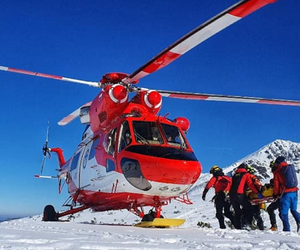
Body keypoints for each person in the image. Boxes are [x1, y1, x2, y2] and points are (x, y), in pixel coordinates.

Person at [229, 163, 262, 230]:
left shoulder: (235, 175)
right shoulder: (246, 174)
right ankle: (246, 224)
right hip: (239, 194)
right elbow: (250, 184)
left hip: (231, 195)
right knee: (249, 208)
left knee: (237, 212)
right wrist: (257, 192)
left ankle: (238, 227)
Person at [273, 156, 300, 232]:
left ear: (278, 163)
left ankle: (286, 230)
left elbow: (276, 185)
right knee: (294, 210)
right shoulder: (289, 168)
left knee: (284, 213)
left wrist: (275, 194)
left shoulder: (278, 172)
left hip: (286, 194)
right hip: (294, 192)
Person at [245, 165, 264, 230]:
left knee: (248, 212)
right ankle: (261, 227)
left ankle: (247, 225)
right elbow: (259, 184)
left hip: (250, 196)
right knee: (256, 213)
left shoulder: (249, 177)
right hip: (254, 196)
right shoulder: (253, 177)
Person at [266, 161, 281, 231]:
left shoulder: (277, 173)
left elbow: (277, 185)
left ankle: (274, 226)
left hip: (280, 195)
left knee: (270, 209)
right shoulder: (282, 172)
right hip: (285, 194)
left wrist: (275, 194)